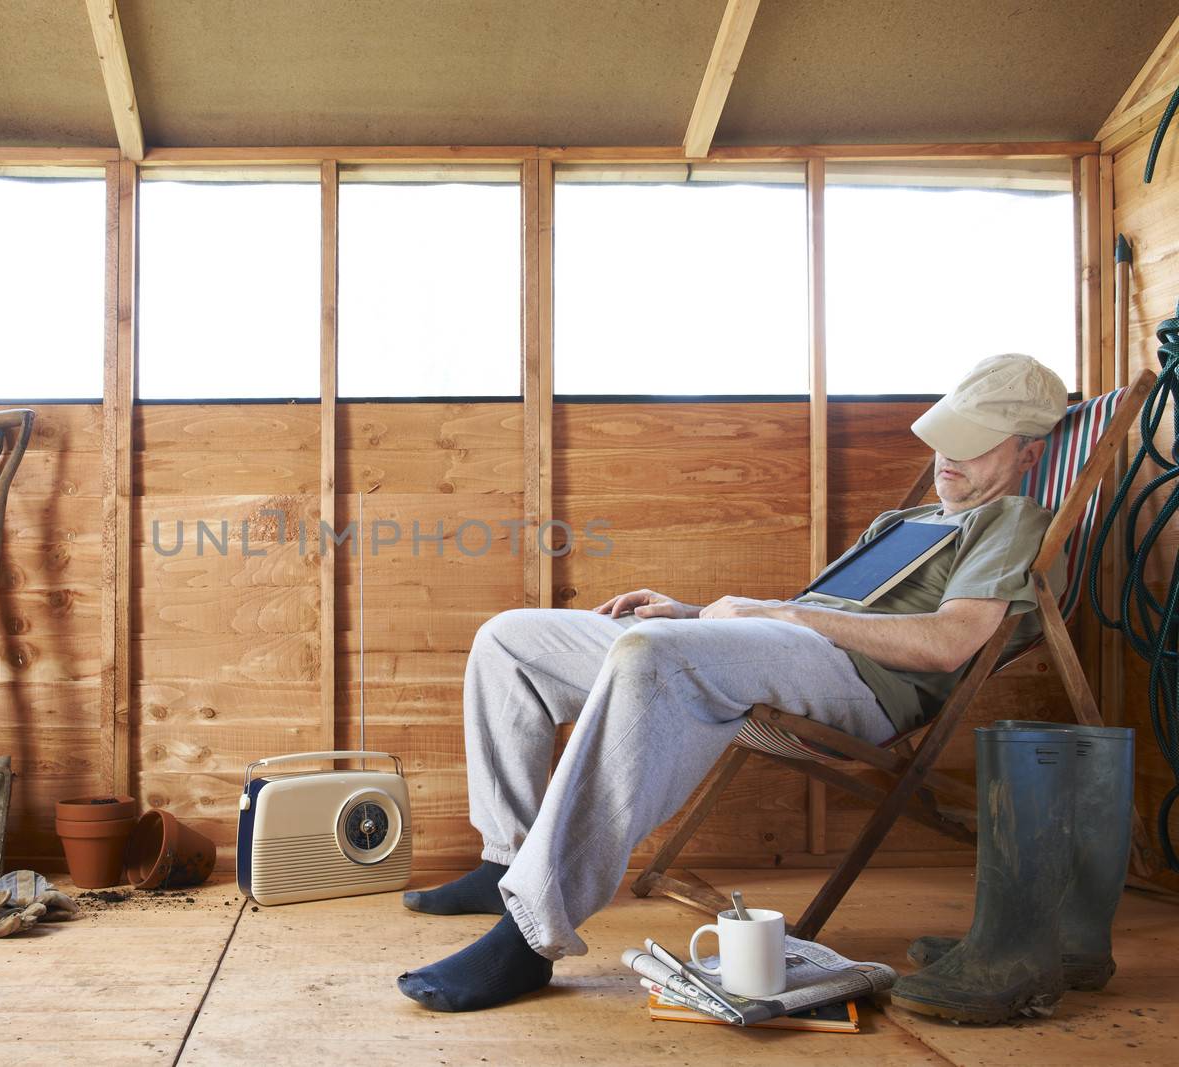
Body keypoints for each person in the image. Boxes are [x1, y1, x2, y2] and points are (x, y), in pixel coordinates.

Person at [395, 353, 1069, 1013]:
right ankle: (503, 859)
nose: (948, 457)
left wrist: (771, 613)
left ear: (1028, 455)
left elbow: (949, 643)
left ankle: (530, 933)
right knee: (510, 638)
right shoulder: (906, 521)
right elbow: (799, 620)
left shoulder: (1012, 522)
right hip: (793, 650)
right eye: (947, 435)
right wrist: (694, 615)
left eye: (974, 446)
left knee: (654, 655)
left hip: (861, 685)